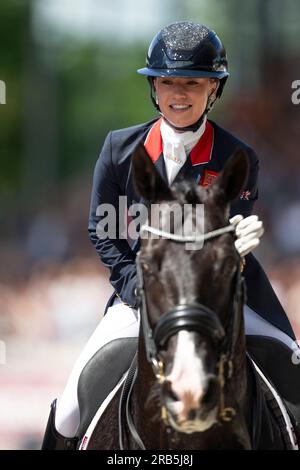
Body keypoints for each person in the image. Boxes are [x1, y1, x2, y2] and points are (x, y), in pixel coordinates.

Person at [41, 21, 297, 450]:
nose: (179, 93)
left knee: (294, 370)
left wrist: (234, 241)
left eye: (192, 83)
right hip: (142, 295)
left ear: (213, 90)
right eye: (168, 82)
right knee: (69, 408)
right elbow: (101, 230)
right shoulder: (119, 151)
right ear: (154, 88)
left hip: (224, 298)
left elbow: (221, 238)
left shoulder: (238, 157)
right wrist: (134, 285)